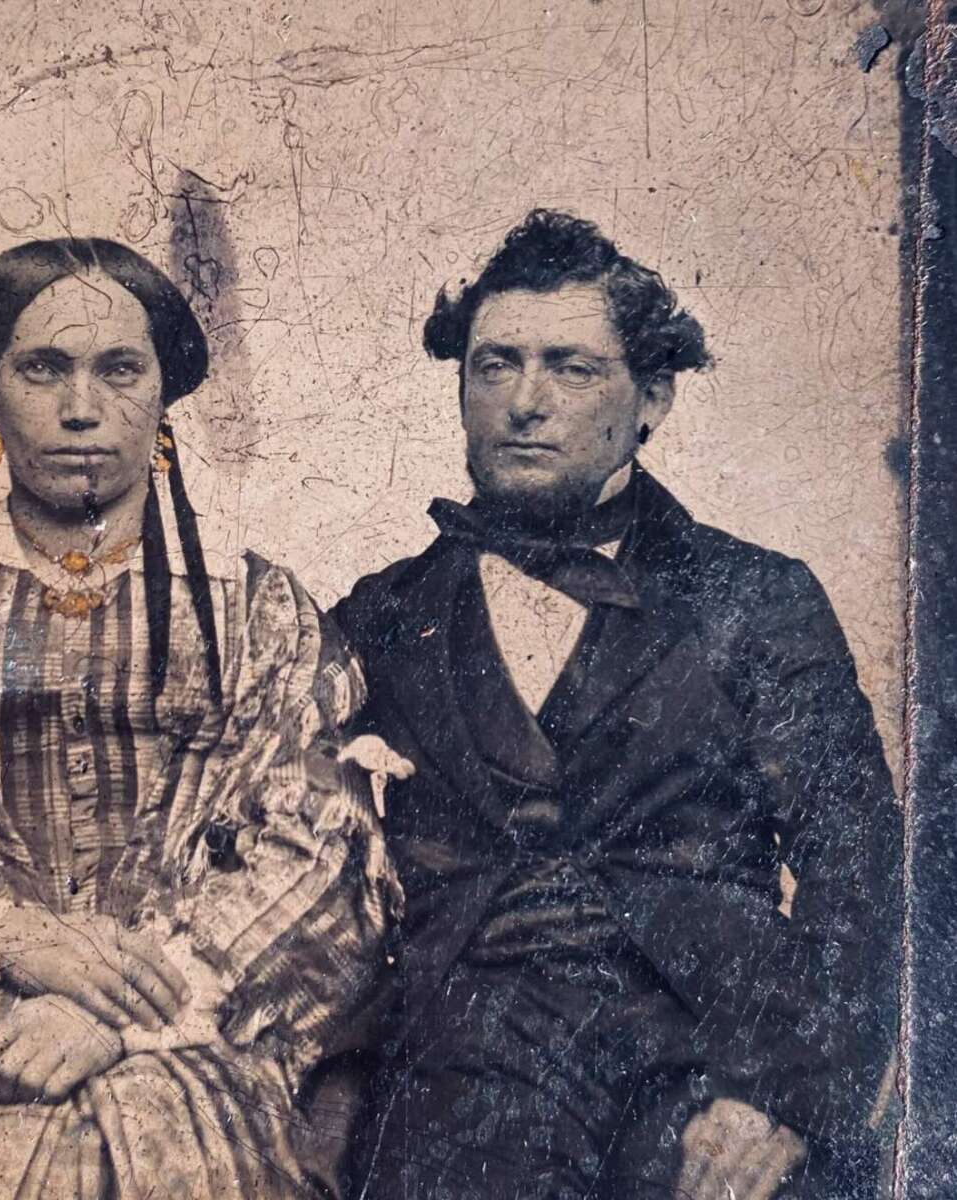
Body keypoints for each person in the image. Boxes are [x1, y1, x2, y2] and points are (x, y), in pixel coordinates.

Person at [331, 210, 901, 1198]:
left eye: (572, 368)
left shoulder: (757, 601)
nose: (525, 402)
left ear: (655, 398)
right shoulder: (380, 618)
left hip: (699, 1083)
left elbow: (861, 873)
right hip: (457, 1087)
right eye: (494, 365)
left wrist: (784, 1097)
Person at [0, 238, 402, 1199]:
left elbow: (319, 851)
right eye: (42, 368)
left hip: (192, 1022)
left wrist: (121, 1008)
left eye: (119, 369)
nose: (82, 408)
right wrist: (11, 942)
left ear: (163, 396)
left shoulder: (255, 614)